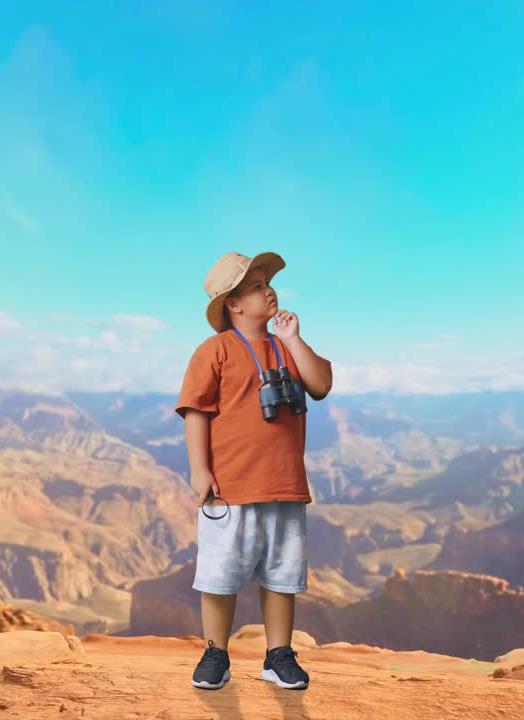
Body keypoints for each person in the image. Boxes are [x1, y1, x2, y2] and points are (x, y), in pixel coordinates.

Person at [174, 251, 333, 691]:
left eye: (267, 283)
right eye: (257, 286)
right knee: (220, 575)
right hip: (230, 485)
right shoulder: (214, 350)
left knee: (282, 574)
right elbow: (196, 412)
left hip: (284, 484)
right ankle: (215, 653)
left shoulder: (287, 346)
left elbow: (320, 384)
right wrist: (199, 470)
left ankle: (278, 655)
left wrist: (295, 338)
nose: (269, 290)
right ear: (234, 304)